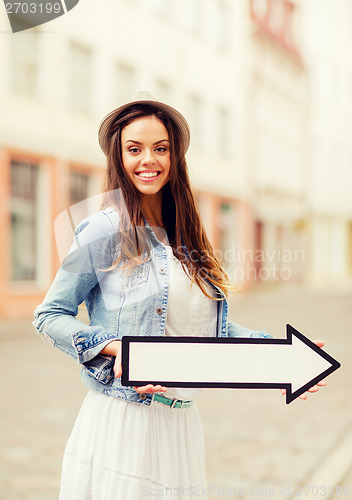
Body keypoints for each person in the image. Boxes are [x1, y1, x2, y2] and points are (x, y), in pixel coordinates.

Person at [33, 93, 324, 500]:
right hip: (126, 421)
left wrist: (274, 358)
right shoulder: (104, 229)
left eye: (160, 148)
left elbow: (206, 331)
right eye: (134, 149)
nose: (147, 159)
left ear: (175, 158)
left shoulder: (186, 236)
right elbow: (50, 315)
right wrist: (111, 347)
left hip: (181, 425)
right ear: (119, 157)